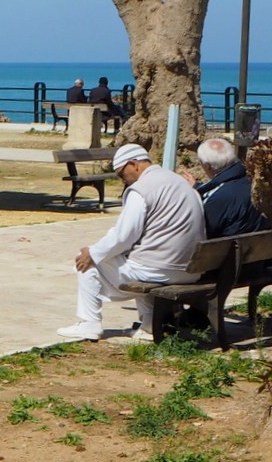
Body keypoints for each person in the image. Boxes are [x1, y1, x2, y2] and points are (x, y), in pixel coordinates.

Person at [57, 144, 205, 342]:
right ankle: (149, 325)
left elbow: (124, 236)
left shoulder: (141, 190)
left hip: (160, 269)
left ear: (133, 164)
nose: (122, 180)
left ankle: (89, 323)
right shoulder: (180, 182)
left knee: (86, 260)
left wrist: (92, 252)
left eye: (121, 174)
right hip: (191, 270)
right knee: (136, 258)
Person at [184, 137, 271, 238]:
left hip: (229, 252)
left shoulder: (218, 199)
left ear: (207, 166)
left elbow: (201, 232)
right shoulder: (254, 182)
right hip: (260, 249)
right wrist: (197, 187)